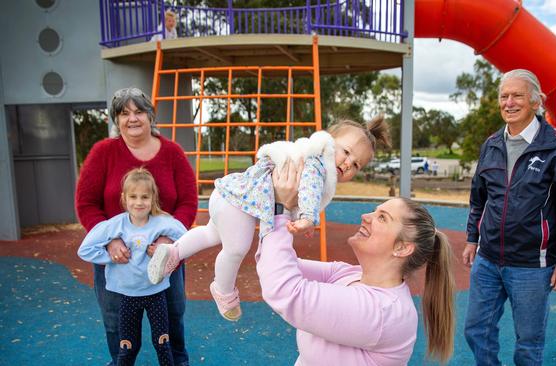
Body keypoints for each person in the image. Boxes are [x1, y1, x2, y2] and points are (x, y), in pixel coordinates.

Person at [148, 116, 391, 322]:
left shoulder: (307, 154)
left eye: (356, 164)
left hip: (228, 193)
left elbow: (299, 193)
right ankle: (222, 289)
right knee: (236, 249)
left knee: (211, 234)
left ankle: (174, 252)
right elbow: (308, 188)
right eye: (346, 152)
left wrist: (301, 218)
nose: (348, 163)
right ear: (328, 140)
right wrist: (308, 217)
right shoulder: (318, 162)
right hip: (240, 205)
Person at [253, 160, 455, 365]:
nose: (366, 216)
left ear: (402, 247)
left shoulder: (382, 312)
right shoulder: (350, 274)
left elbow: (285, 290)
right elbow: (273, 263)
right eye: (375, 212)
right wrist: (290, 208)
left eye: (382, 218)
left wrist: (281, 209)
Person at [462, 69, 556, 366]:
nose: (509, 102)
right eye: (503, 96)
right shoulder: (491, 144)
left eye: (517, 95)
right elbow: (478, 197)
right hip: (488, 260)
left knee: (528, 343)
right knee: (476, 330)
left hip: (533, 266)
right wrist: (472, 238)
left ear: (536, 102)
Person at [75, 87, 197, 366]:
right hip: (117, 259)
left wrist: (170, 241)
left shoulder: (173, 153)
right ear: (116, 120)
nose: (132, 118)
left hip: (163, 255)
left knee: (173, 314)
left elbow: (188, 202)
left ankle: (178, 362)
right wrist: (109, 241)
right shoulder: (103, 152)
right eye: (124, 113)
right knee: (114, 319)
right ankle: (120, 362)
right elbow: (86, 203)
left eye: (139, 111)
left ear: (150, 115)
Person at [78, 168, 187, 366]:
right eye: (133, 196)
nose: (139, 202)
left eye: (145, 196)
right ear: (124, 198)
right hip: (127, 296)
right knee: (128, 346)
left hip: (156, 294)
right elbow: (84, 250)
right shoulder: (114, 226)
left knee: (162, 343)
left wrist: (168, 248)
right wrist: (111, 255)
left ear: (153, 198)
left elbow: (187, 238)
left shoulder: (162, 223)